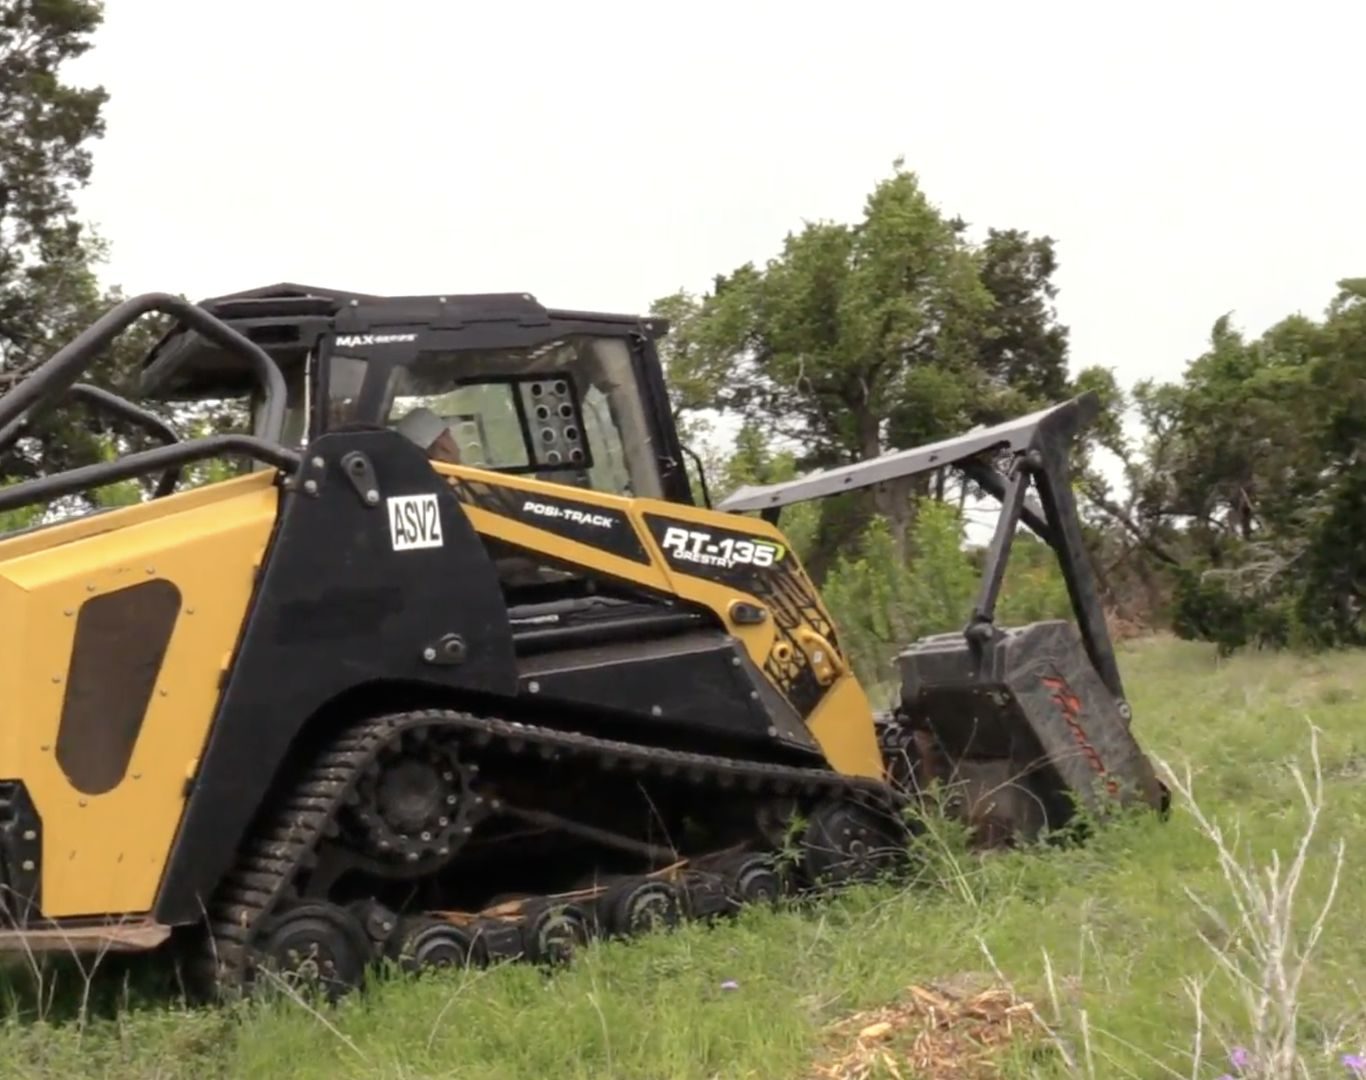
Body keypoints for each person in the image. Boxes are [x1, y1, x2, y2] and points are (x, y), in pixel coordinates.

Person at [395, 406, 462, 464]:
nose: (454, 440)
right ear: (444, 446)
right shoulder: (455, 476)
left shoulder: (416, 477)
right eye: (448, 434)